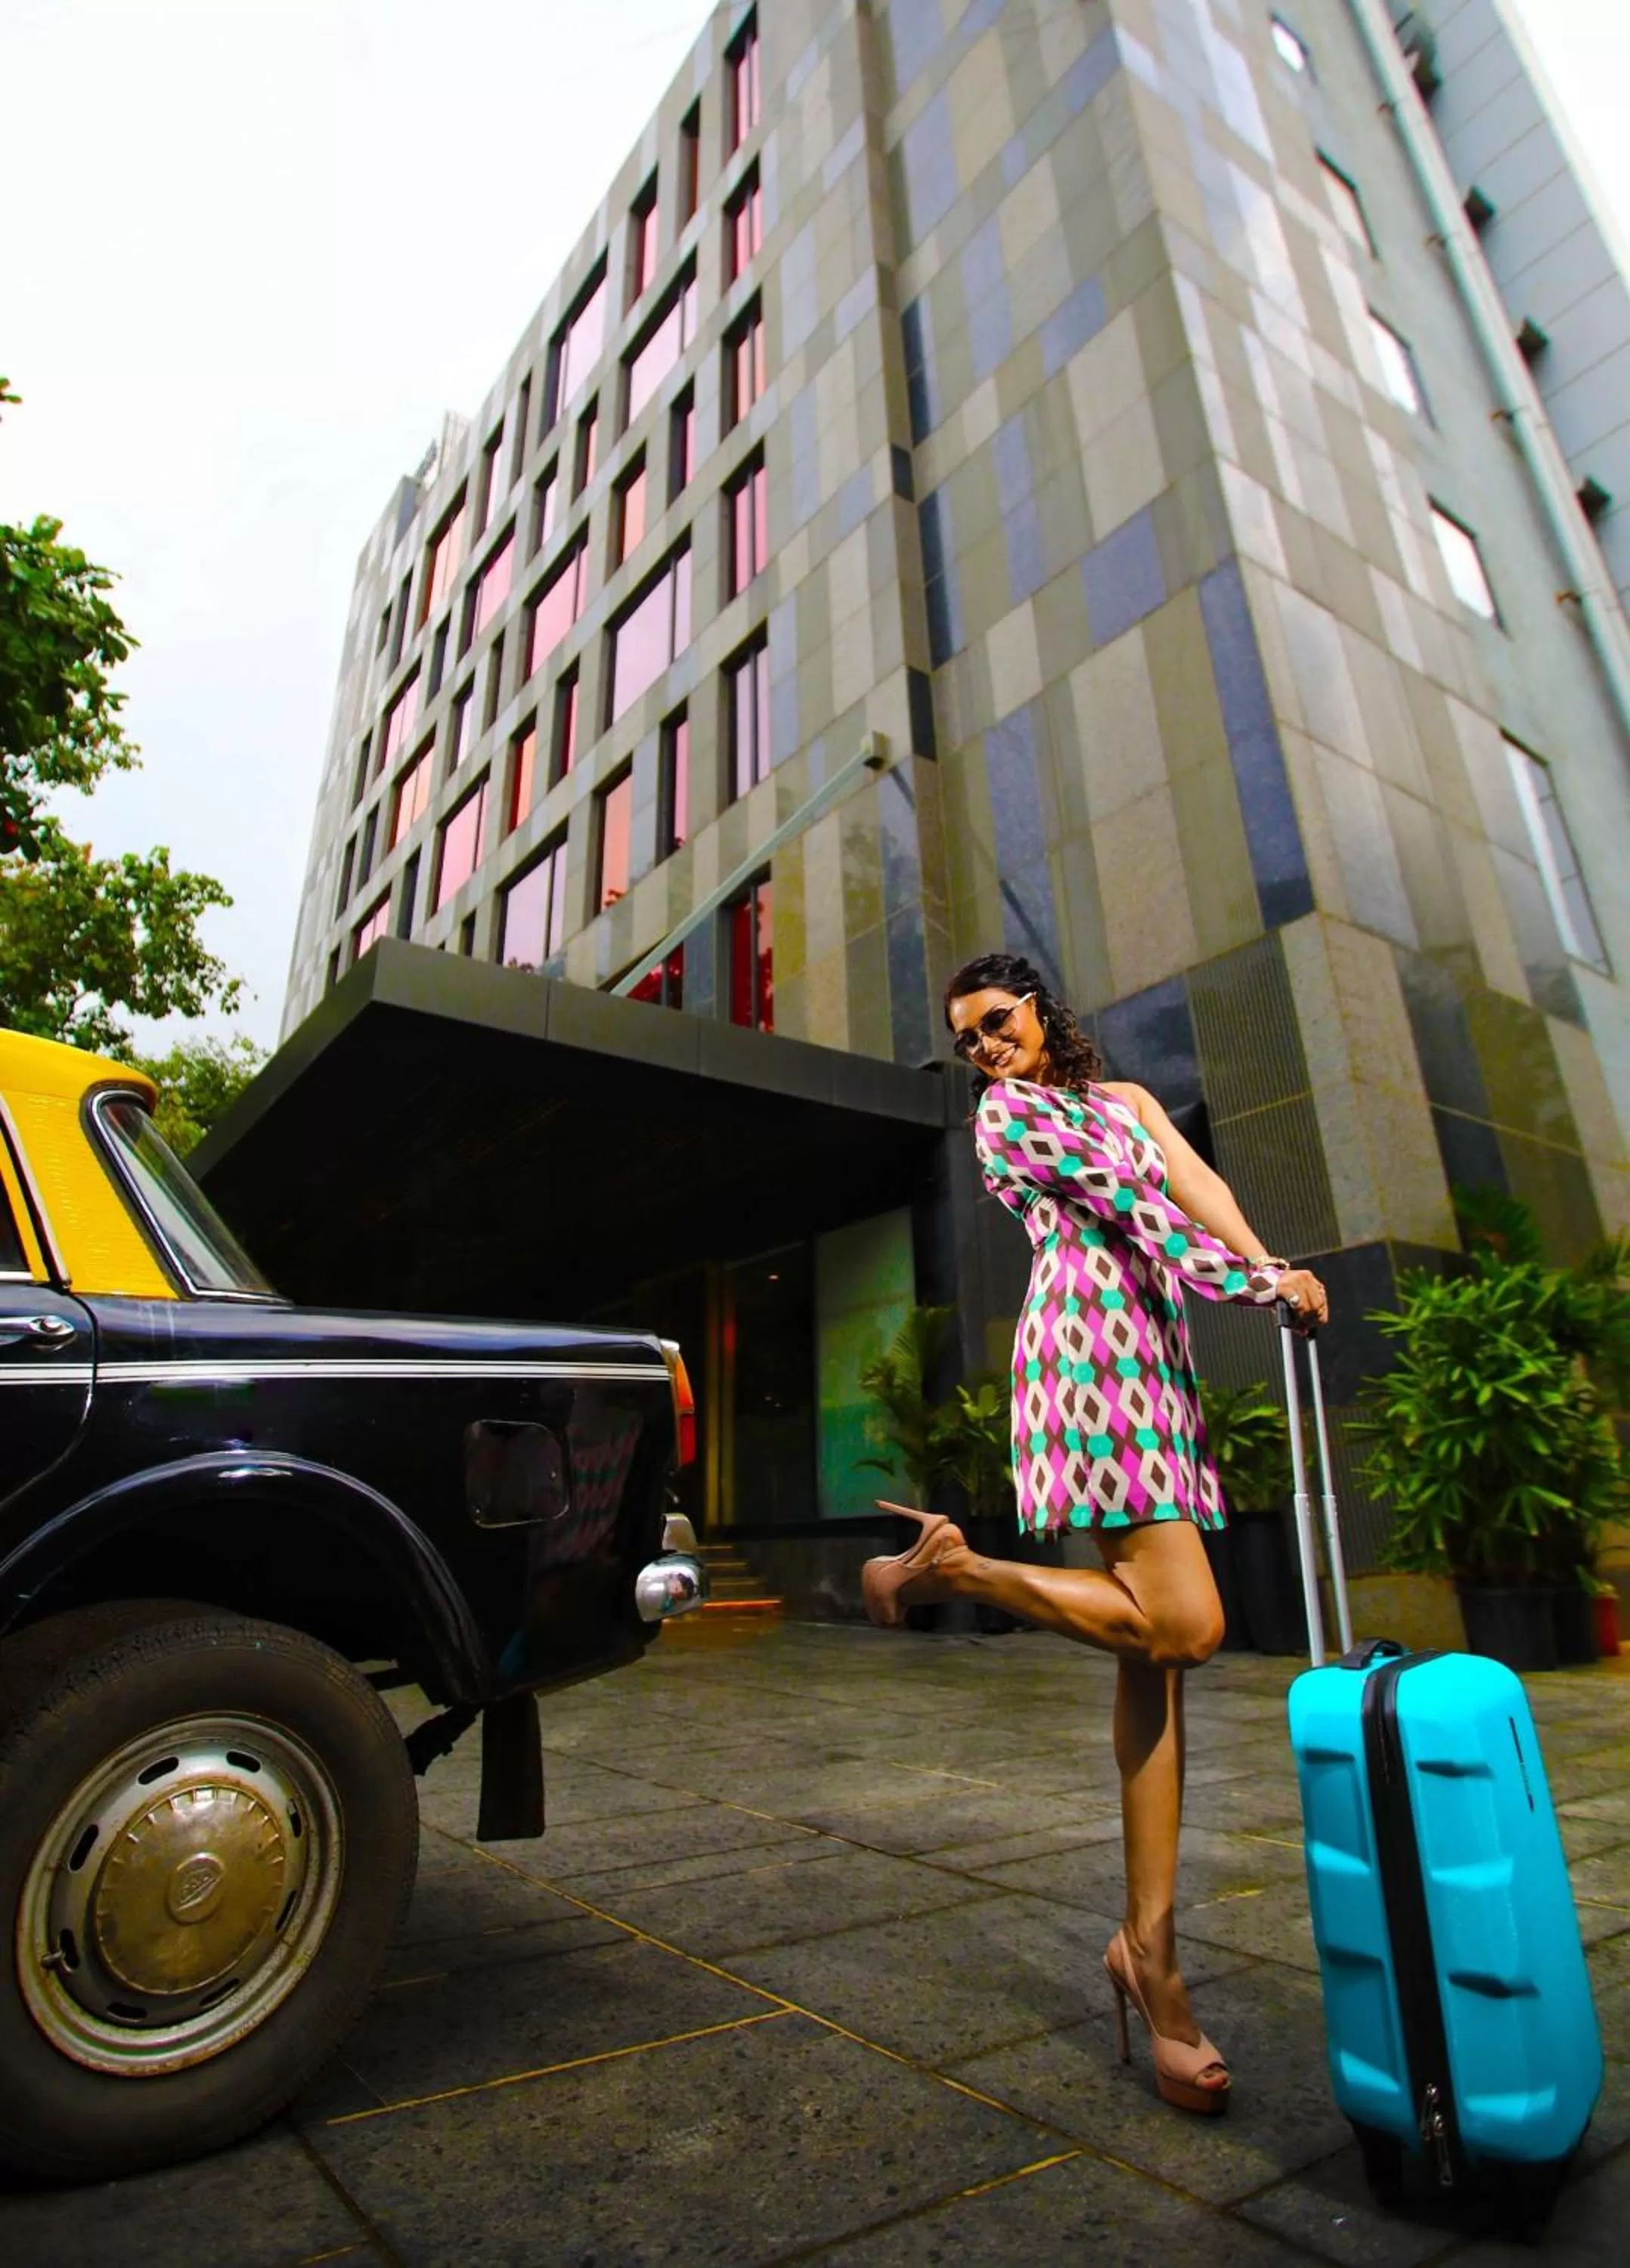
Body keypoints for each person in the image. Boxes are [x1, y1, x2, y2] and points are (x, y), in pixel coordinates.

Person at [863, 952, 1328, 2117]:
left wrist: (1268, 1257)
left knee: (1151, 1671)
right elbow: (1139, 1216)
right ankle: (953, 1571)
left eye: (997, 1022)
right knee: (1190, 1627)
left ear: (1040, 1009)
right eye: (966, 1038)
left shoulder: (1120, 1102)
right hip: (1089, 1360)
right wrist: (1258, 1293)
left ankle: (1149, 1956)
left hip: (1154, 1364)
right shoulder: (1008, 1123)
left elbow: (1194, 1187)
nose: (984, 1047)